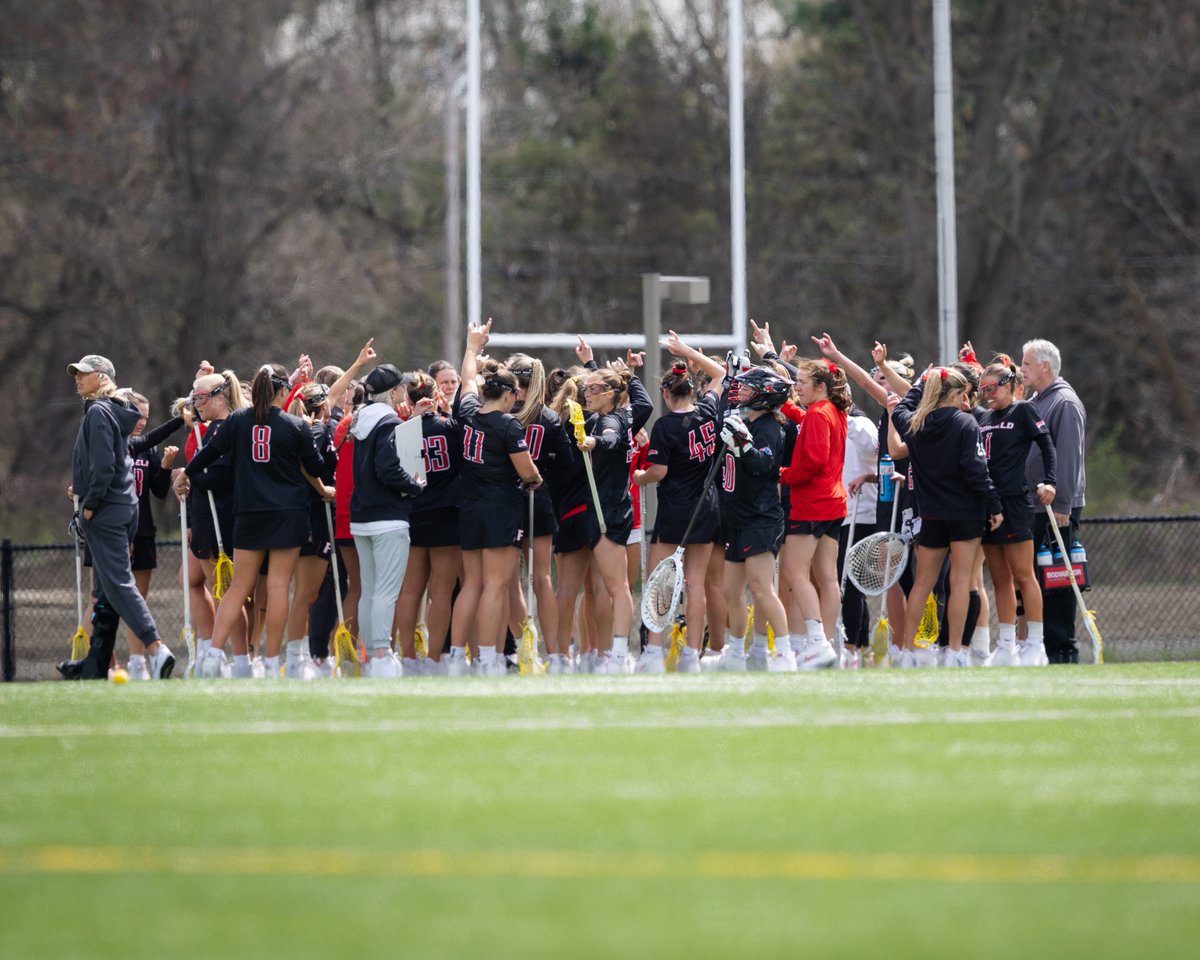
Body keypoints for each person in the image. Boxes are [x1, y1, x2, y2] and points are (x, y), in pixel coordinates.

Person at [184, 363, 334, 678]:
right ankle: (269, 661)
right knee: (279, 587)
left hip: (249, 513)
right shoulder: (296, 426)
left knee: (238, 587)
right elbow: (319, 467)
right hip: (287, 515)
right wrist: (318, 428)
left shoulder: (238, 420)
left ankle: (212, 657)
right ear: (283, 391)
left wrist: (186, 474)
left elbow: (207, 454)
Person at [59, 355, 174, 680]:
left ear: (102, 377)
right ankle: (95, 664)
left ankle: (156, 648)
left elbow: (104, 466)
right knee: (105, 591)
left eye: (84, 374)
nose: (77, 379)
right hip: (124, 507)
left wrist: (90, 503)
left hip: (106, 509)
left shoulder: (98, 412)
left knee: (119, 583)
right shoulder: (113, 412)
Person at [445, 321, 542, 676]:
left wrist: (471, 347)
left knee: (471, 583)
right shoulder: (507, 424)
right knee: (496, 586)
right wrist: (535, 479)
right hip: (499, 509)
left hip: (469, 507)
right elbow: (527, 471)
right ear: (508, 394)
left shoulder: (468, 413)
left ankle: (457, 656)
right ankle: (488, 658)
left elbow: (467, 379)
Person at [889, 368, 1003, 668]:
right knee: (961, 581)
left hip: (931, 515)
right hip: (965, 515)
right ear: (954, 395)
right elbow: (977, 471)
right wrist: (994, 505)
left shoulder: (915, 423)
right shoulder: (966, 422)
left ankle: (909, 651)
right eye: (962, 393)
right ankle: (955, 652)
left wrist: (921, 382)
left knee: (922, 583)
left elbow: (899, 409)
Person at [633, 337, 725, 674]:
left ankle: (654, 652)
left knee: (660, 580)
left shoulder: (665, 426)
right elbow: (721, 374)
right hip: (706, 507)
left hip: (676, 511)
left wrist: (641, 476)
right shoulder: (707, 411)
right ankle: (691, 656)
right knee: (695, 584)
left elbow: (660, 471)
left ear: (666, 394)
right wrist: (687, 352)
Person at [713, 363, 794, 672]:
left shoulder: (770, 428)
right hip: (735, 517)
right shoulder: (742, 419)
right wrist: (727, 380)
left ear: (765, 394)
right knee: (731, 591)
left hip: (760, 518)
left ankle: (784, 652)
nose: (741, 392)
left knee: (761, 588)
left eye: (747, 387)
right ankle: (735, 651)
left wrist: (743, 444)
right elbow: (722, 412)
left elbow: (764, 466)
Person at [978, 354, 1058, 667]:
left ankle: (1035, 645)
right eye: (982, 390)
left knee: (1024, 576)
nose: (987, 395)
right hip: (989, 504)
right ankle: (1007, 645)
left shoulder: (1023, 410)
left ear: (1009, 385)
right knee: (999, 579)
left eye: (992, 388)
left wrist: (1050, 481)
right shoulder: (983, 419)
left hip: (1015, 502)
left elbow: (1046, 444)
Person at [349, 363, 428, 677]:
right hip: (388, 517)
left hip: (362, 517)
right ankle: (381, 654)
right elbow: (387, 468)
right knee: (385, 590)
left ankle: (372, 655)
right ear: (393, 391)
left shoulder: (361, 420)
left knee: (370, 590)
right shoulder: (389, 420)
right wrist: (414, 487)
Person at [779, 358, 850, 670]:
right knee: (826, 576)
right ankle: (827, 644)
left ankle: (817, 641)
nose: (797, 388)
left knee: (795, 573)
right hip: (832, 503)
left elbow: (814, 462)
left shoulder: (820, 414)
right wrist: (782, 398)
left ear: (821, 386)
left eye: (802, 384)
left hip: (813, 503)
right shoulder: (830, 410)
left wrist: (782, 473)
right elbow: (803, 417)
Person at [1021, 338, 1087, 664]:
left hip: (1055, 509)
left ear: (1045, 366)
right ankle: (1044, 646)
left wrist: (1062, 504)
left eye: (1027, 364)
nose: (1021, 370)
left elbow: (1069, 456)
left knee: (1059, 576)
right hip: (1035, 506)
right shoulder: (1036, 400)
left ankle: (1063, 649)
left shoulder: (1064, 403)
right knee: (1039, 575)